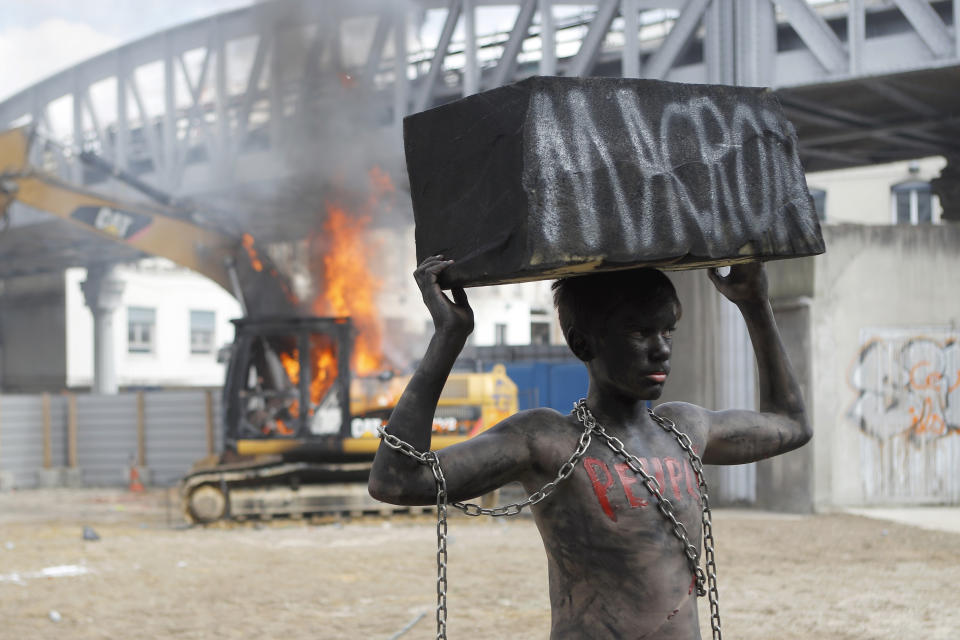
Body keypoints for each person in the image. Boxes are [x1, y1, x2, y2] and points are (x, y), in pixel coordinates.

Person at [369, 255, 810, 639]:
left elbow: (790, 424)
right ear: (583, 343)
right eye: (639, 332)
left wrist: (755, 305)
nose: (661, 350)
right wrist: (449, 335)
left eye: (668, 331)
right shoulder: (545, 441)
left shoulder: (685, 428)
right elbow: (397, 480)